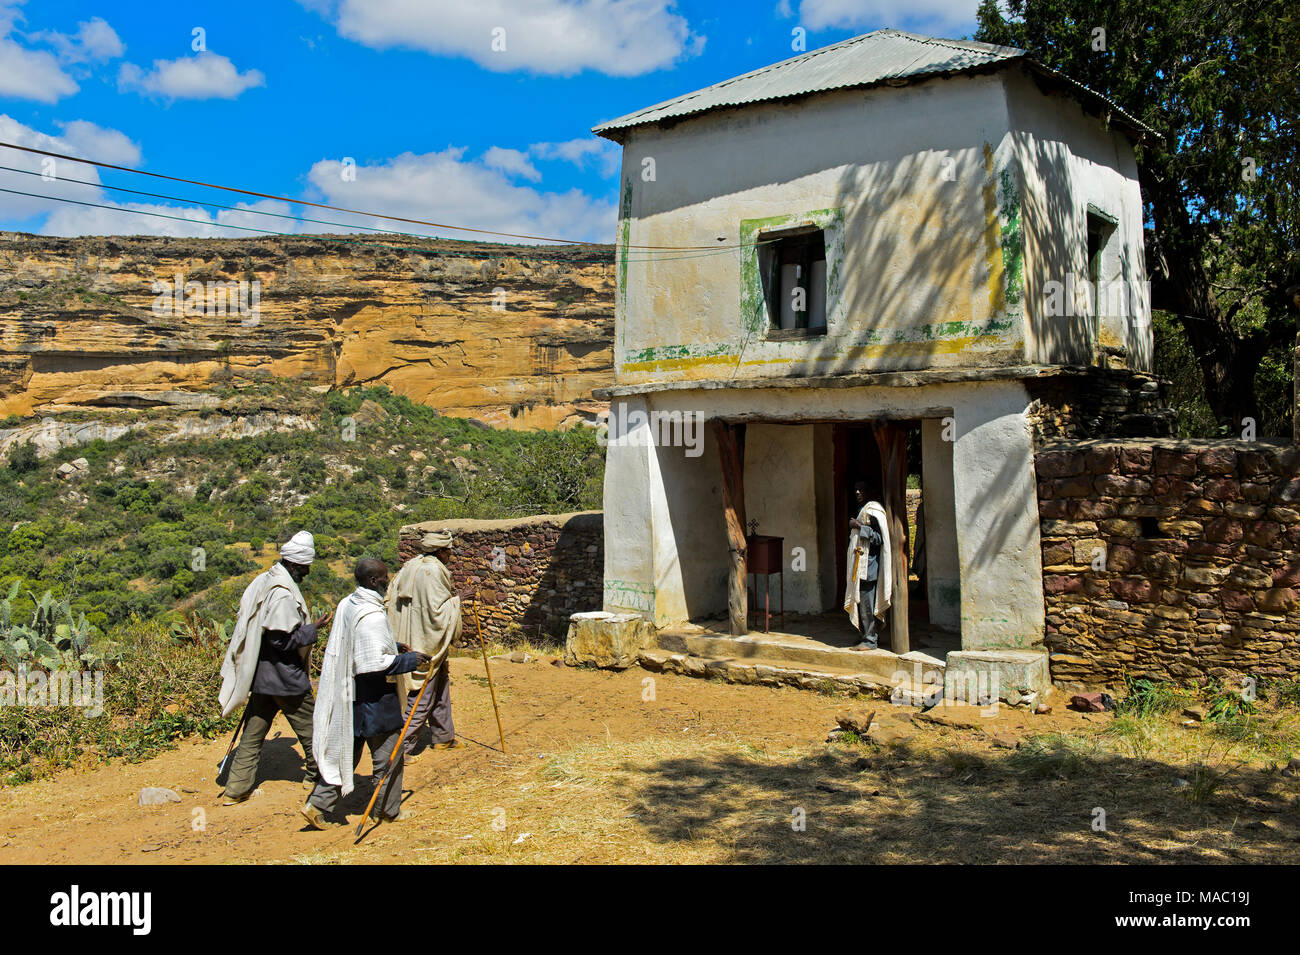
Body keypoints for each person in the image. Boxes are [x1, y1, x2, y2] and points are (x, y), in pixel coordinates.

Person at [303, 558, 430, 830]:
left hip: (350, 696)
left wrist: (392, 645)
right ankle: (386, 810)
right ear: (373, 581)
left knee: (346, 752)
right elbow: (373, 664)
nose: (388, 580)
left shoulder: (350, 604)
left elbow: (359, 643)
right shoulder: (371, 615)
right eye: (384, 576)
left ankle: (317, 804)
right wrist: (412, 660)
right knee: (389, 756)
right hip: (375, 699)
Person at [218, 531, 331, 805]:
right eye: (305, 567)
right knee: (311, 727)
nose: (306, 572)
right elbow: (281, 640)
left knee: (253, 733)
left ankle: (236, 788)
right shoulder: (282, 593)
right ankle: (320, 778)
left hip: (261, 676)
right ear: (294, 564)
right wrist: (312, 630)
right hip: (285, 677)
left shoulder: (265, 580)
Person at [387, 530, 466, 760]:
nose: (451, 554)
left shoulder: (410, 566)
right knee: (421, 695)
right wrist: (459, 600)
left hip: (408, 635)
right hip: (425, 640)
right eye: (449, 550)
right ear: (441, 551)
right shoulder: (433, 572)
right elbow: (436, 614)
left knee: (440, 685)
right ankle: (401, 750)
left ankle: (443, 737)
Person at [843, 481, 892, 650]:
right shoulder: (863, 509)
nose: (857, 492)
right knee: (862, 603)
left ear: (870, 491)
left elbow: (879, 538)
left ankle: (870, 640)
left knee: (867, 605)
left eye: (861, 489)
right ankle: (866, 636)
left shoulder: (874, 511)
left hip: (869, 566)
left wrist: (859, 526)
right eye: (855, 489)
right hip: (860, 564)